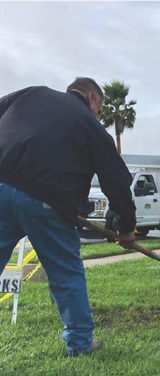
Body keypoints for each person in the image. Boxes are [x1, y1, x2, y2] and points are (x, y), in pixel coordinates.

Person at [0, 77, 136, 356]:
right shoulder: (91, 126)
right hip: (47, 203)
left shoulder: (31, 93)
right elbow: (117, 182)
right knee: (65, 273)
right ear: (90, 98)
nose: (97, 114)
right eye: (99, 108)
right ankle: (79, 343)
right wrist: (126, 228)